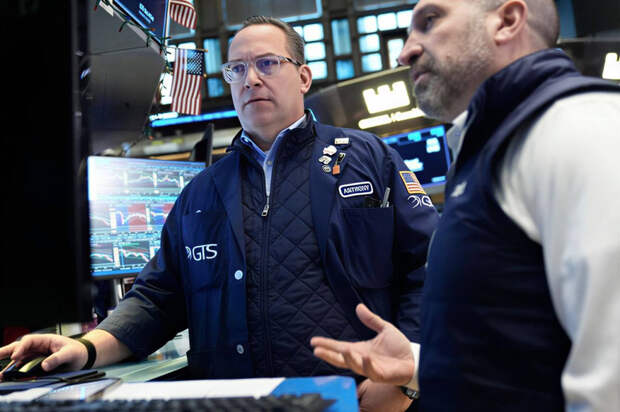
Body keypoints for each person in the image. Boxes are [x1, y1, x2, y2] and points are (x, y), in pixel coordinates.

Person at [0, 16, 438, 411]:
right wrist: (87, 347)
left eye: (268, 63)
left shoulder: (369, 158)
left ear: (303, 77)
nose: (251, 79)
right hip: (236, 401)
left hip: (357, 398)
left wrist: (406, 381)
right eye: (237, 69)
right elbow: (158, 297)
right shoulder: (201, 192)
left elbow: (430, 271)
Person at [311, 0, 620, 411]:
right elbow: (522, 342)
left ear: (507, 21)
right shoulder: (492, 146)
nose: (405, 52)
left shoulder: (579, 127)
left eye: (430, 21)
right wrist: (422, 364)